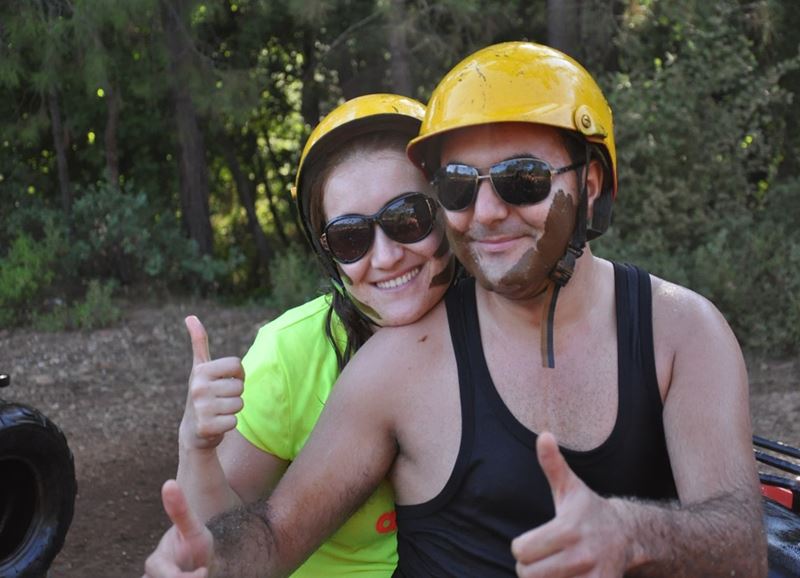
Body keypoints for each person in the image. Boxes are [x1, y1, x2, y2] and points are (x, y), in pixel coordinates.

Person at [143, 42, 767, 578]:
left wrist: (631, 533)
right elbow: (276, 536)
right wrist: (211, 559)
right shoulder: (399, 363)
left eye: (522, 179)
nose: (487, 210)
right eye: (459, 186)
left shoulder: (682, 332)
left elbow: (744, 547)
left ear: (591, 184)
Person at [167, 93, 455, 578]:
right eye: (350, 237)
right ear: (328, 256)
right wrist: (194, 447)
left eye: (407, 218)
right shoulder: (290, 354)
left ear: (448, 212)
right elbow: (214, 537)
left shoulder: (498, 326)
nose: (385, 257)